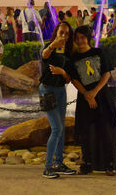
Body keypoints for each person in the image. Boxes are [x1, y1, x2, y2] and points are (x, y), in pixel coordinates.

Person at [70, 25, 116, 176]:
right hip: (85, 98)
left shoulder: (99, 52)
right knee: (86, 132)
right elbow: (74, 79)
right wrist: (87, 94)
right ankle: (87, 163)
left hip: (102, 96)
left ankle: (110, 163)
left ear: (88, 38)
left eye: (83, 37)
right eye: (77, 38)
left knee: (106, 130)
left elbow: (106, 73)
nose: (80, 41)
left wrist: (94, 92)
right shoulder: (73, 57)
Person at [39, 21, 76, 179]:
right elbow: (44, 55)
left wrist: (61, 71)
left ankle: (58, 163)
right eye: (62, 32)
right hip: (48, 90)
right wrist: (53, 45)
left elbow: (68, 79)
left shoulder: (68, 52)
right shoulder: (50, 47)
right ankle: (47, 167)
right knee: (57, 129)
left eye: (67, 33)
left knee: (61, 129)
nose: (64, 36)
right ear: (56, 32)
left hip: (61, 90)